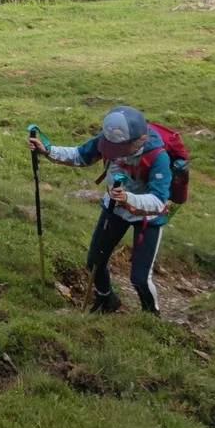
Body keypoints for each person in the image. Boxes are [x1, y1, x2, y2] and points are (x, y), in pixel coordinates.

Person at [28, 106, 172, 315]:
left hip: (147, 218)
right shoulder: (111, 139)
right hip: (114, 207)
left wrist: (127, 198)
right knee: (95, 261)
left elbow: (159, 200)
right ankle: (106, 299)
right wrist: (48, 150)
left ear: (138, 140)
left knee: (139, 277)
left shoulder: (158, 156)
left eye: (120, 149)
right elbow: (80, 155)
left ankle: (151, 316)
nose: (113, 153)